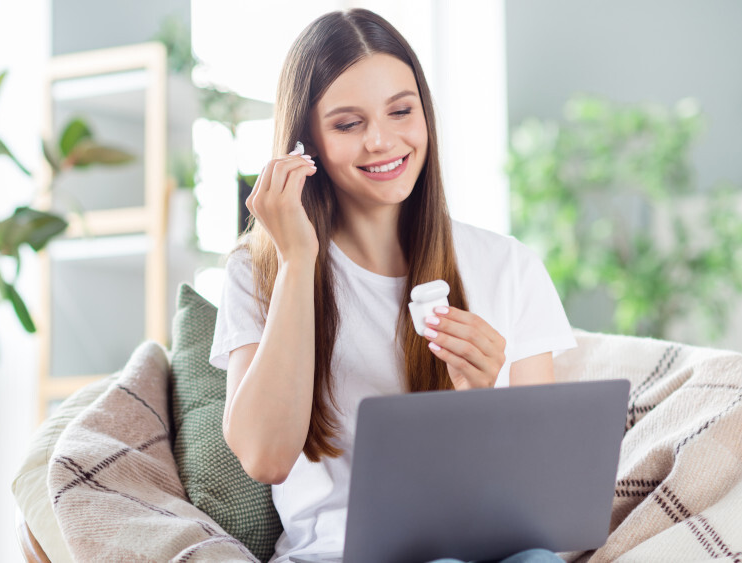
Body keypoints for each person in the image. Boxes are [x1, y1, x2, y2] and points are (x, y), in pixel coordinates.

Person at [208, 8, 577, 563]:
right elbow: (265, 457)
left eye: (401, 111)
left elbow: (542, 495)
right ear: (304, 144)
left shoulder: (508, 267)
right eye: (348, 124)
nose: (381, 141)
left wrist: (480, 399)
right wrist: (298, 258)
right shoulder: (259, 271)